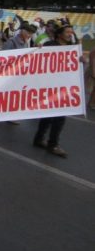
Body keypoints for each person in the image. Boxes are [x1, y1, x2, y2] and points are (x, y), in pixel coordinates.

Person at [32, 24, 75, 158]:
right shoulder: (50, 45)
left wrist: (81, 59)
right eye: (67, 32)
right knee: (57, 116)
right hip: (50, 86)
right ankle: (53, 144)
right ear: (59, 34)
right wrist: (38, 50)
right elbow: (39, 59)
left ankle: (39, 139)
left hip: (63, 86)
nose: (70, 34)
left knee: (52, 115)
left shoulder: (72, 47)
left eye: (71, 32)